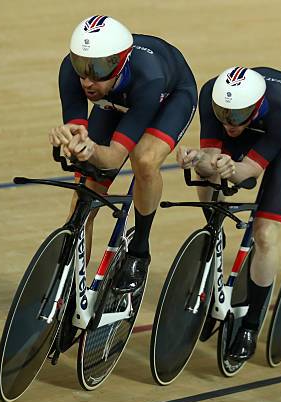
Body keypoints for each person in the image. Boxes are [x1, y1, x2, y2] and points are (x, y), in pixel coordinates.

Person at [48, 15, 197, 293]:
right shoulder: (71, 72)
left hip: (168, 97)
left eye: (99, 69)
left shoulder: (149, 77)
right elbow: (78, 133)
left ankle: (139, 250)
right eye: (82, 66)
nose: (88, 81)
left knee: (144, 161)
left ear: (121, 63)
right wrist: (70, 140)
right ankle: (68, 293)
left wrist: (91, 149)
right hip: (113, 101)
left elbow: (114, 158)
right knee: (84, 197)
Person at [177, 66, 281, 362]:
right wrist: (198, 158)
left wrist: (233, 168)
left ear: (255, 107)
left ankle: (251, 326)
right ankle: (214, 233)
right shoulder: (213, 97)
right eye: (223, 114)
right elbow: (211, 159)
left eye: (236, 115)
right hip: (254, 126)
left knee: (264, 234)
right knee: (209, 174)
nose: (228, 124)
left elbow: (249, 172)